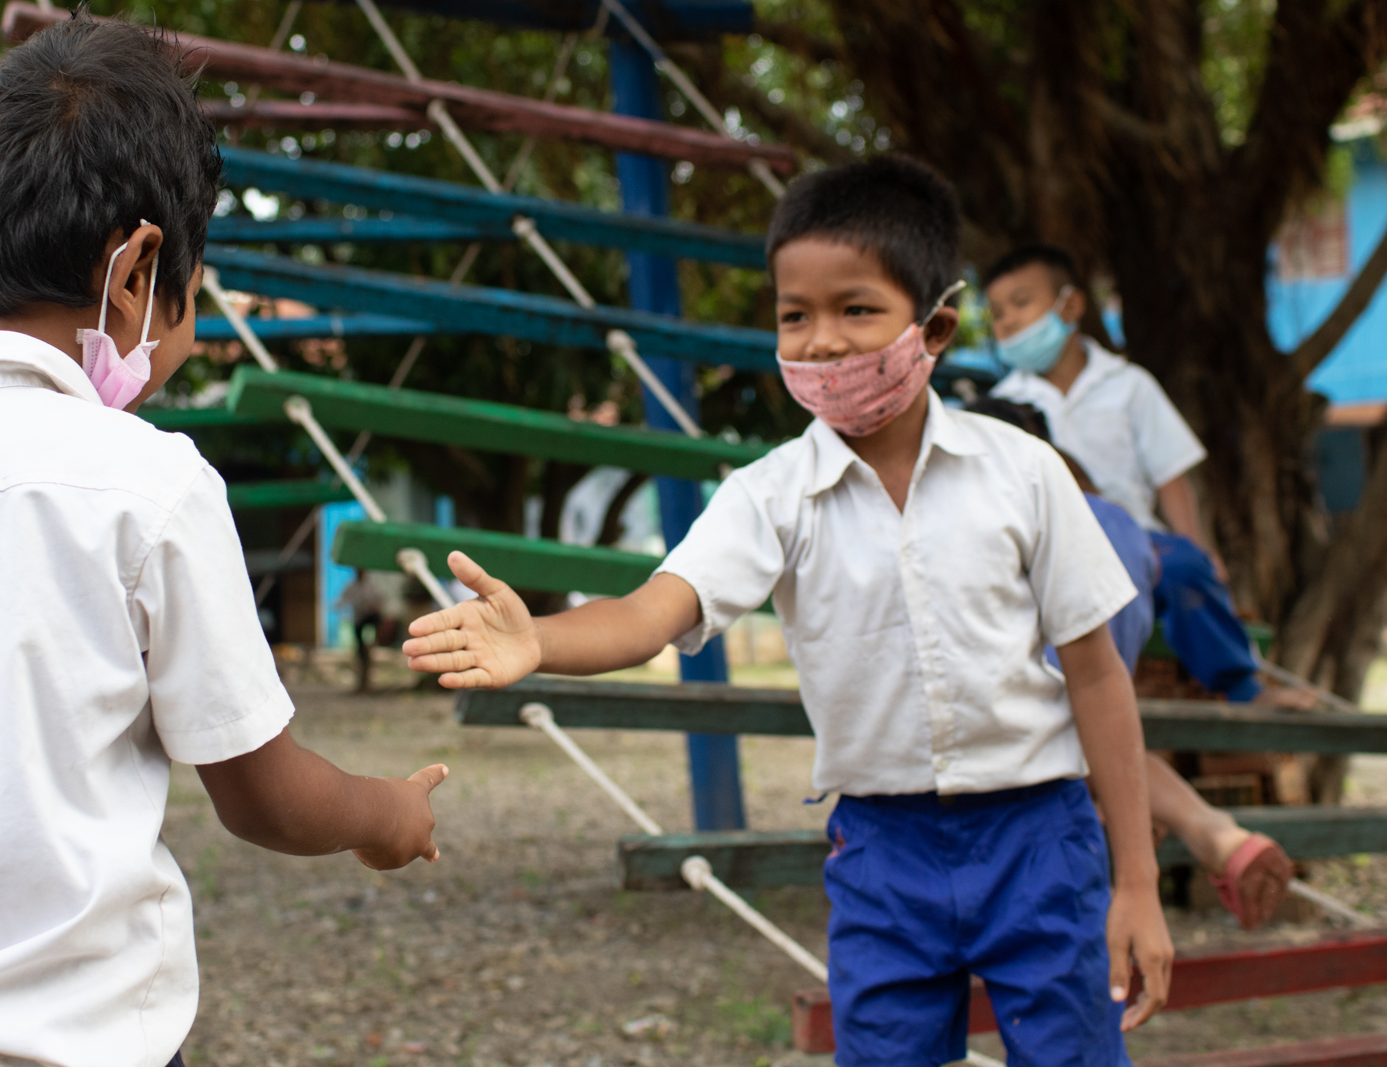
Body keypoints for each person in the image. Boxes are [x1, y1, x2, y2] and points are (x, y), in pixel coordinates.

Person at [403, 156, 1172, 1066]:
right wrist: (541, 641)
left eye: (857, 310)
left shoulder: (1025, 473)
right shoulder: (771, 495)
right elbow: (654, 610)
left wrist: (1139, 880)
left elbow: (1096, 673)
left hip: (1039, 833)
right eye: (793, 315)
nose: (821, 342)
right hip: (882, 852)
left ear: (934, 327)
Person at [0, 18, 445, 1067]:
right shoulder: (151, 483)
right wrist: (384, 812)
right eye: (192, 298)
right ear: (137, 271)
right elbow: (264, 793)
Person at [968, 399, 1294, 931]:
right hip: (1113, 654)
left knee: (1061, 741)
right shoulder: (1119, 519)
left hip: (1035, 684)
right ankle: (1212, 830)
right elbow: (1187, 568)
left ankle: (1163, 830)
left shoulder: (1002, 505)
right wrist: (1240, 679)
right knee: (1102, 736)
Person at [984, 245, 1279, 705]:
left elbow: (1171, 474)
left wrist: (1198, 545)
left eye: (1021, 303)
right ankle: (1068, 699)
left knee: (1186, 567)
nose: (1008, 322)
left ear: (1071, 305)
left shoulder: (1129, 385)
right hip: (1048, 549)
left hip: (1138, 540)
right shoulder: (1000, 406)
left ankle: (1240, 683)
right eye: (997, 313)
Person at [338, 571, 387, 692]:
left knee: (368, 654)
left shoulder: (371, 586)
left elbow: (379, 599)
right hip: (359, 620)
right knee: (360, 653)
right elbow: (343, 601)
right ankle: (361, 684)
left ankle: (368, 683)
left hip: (369, 619)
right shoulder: (352, 587)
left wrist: (375, 607)